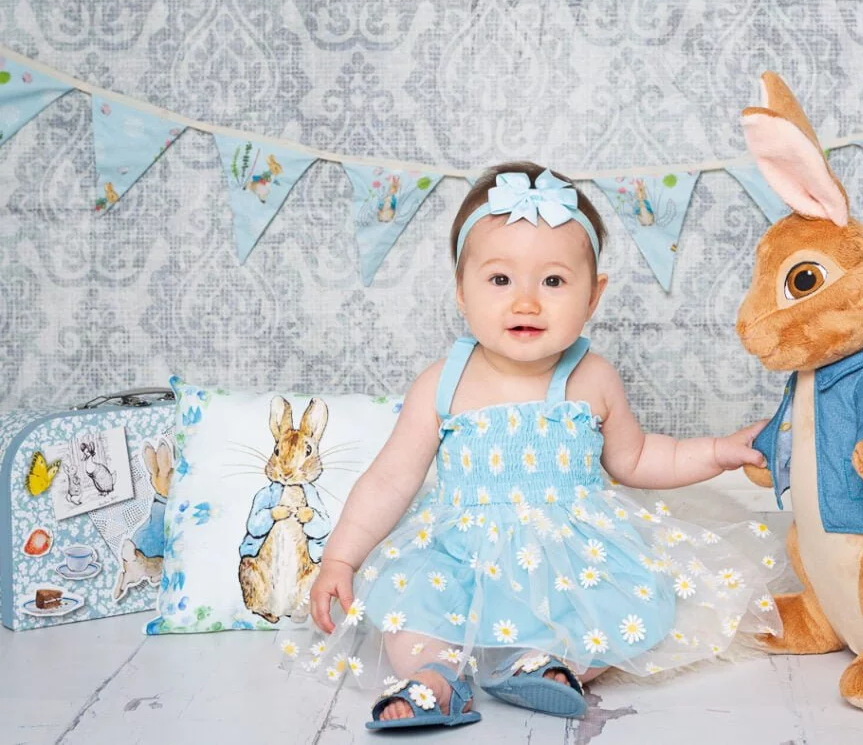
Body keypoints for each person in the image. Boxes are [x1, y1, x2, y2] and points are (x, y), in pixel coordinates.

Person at [284, 161, 782, 730]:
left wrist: (718, 451)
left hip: (571, 556)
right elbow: (390, 479)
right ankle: (433, 677)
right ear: (461, 291)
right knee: (412, 596)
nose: (526, 302)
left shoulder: (591, 377)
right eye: (500, 280)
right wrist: (341, 559)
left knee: (641, 597)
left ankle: (552, 663)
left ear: (593, 296)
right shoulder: (441, 381)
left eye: (553, 281)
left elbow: (638, 459)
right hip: (461, 555)